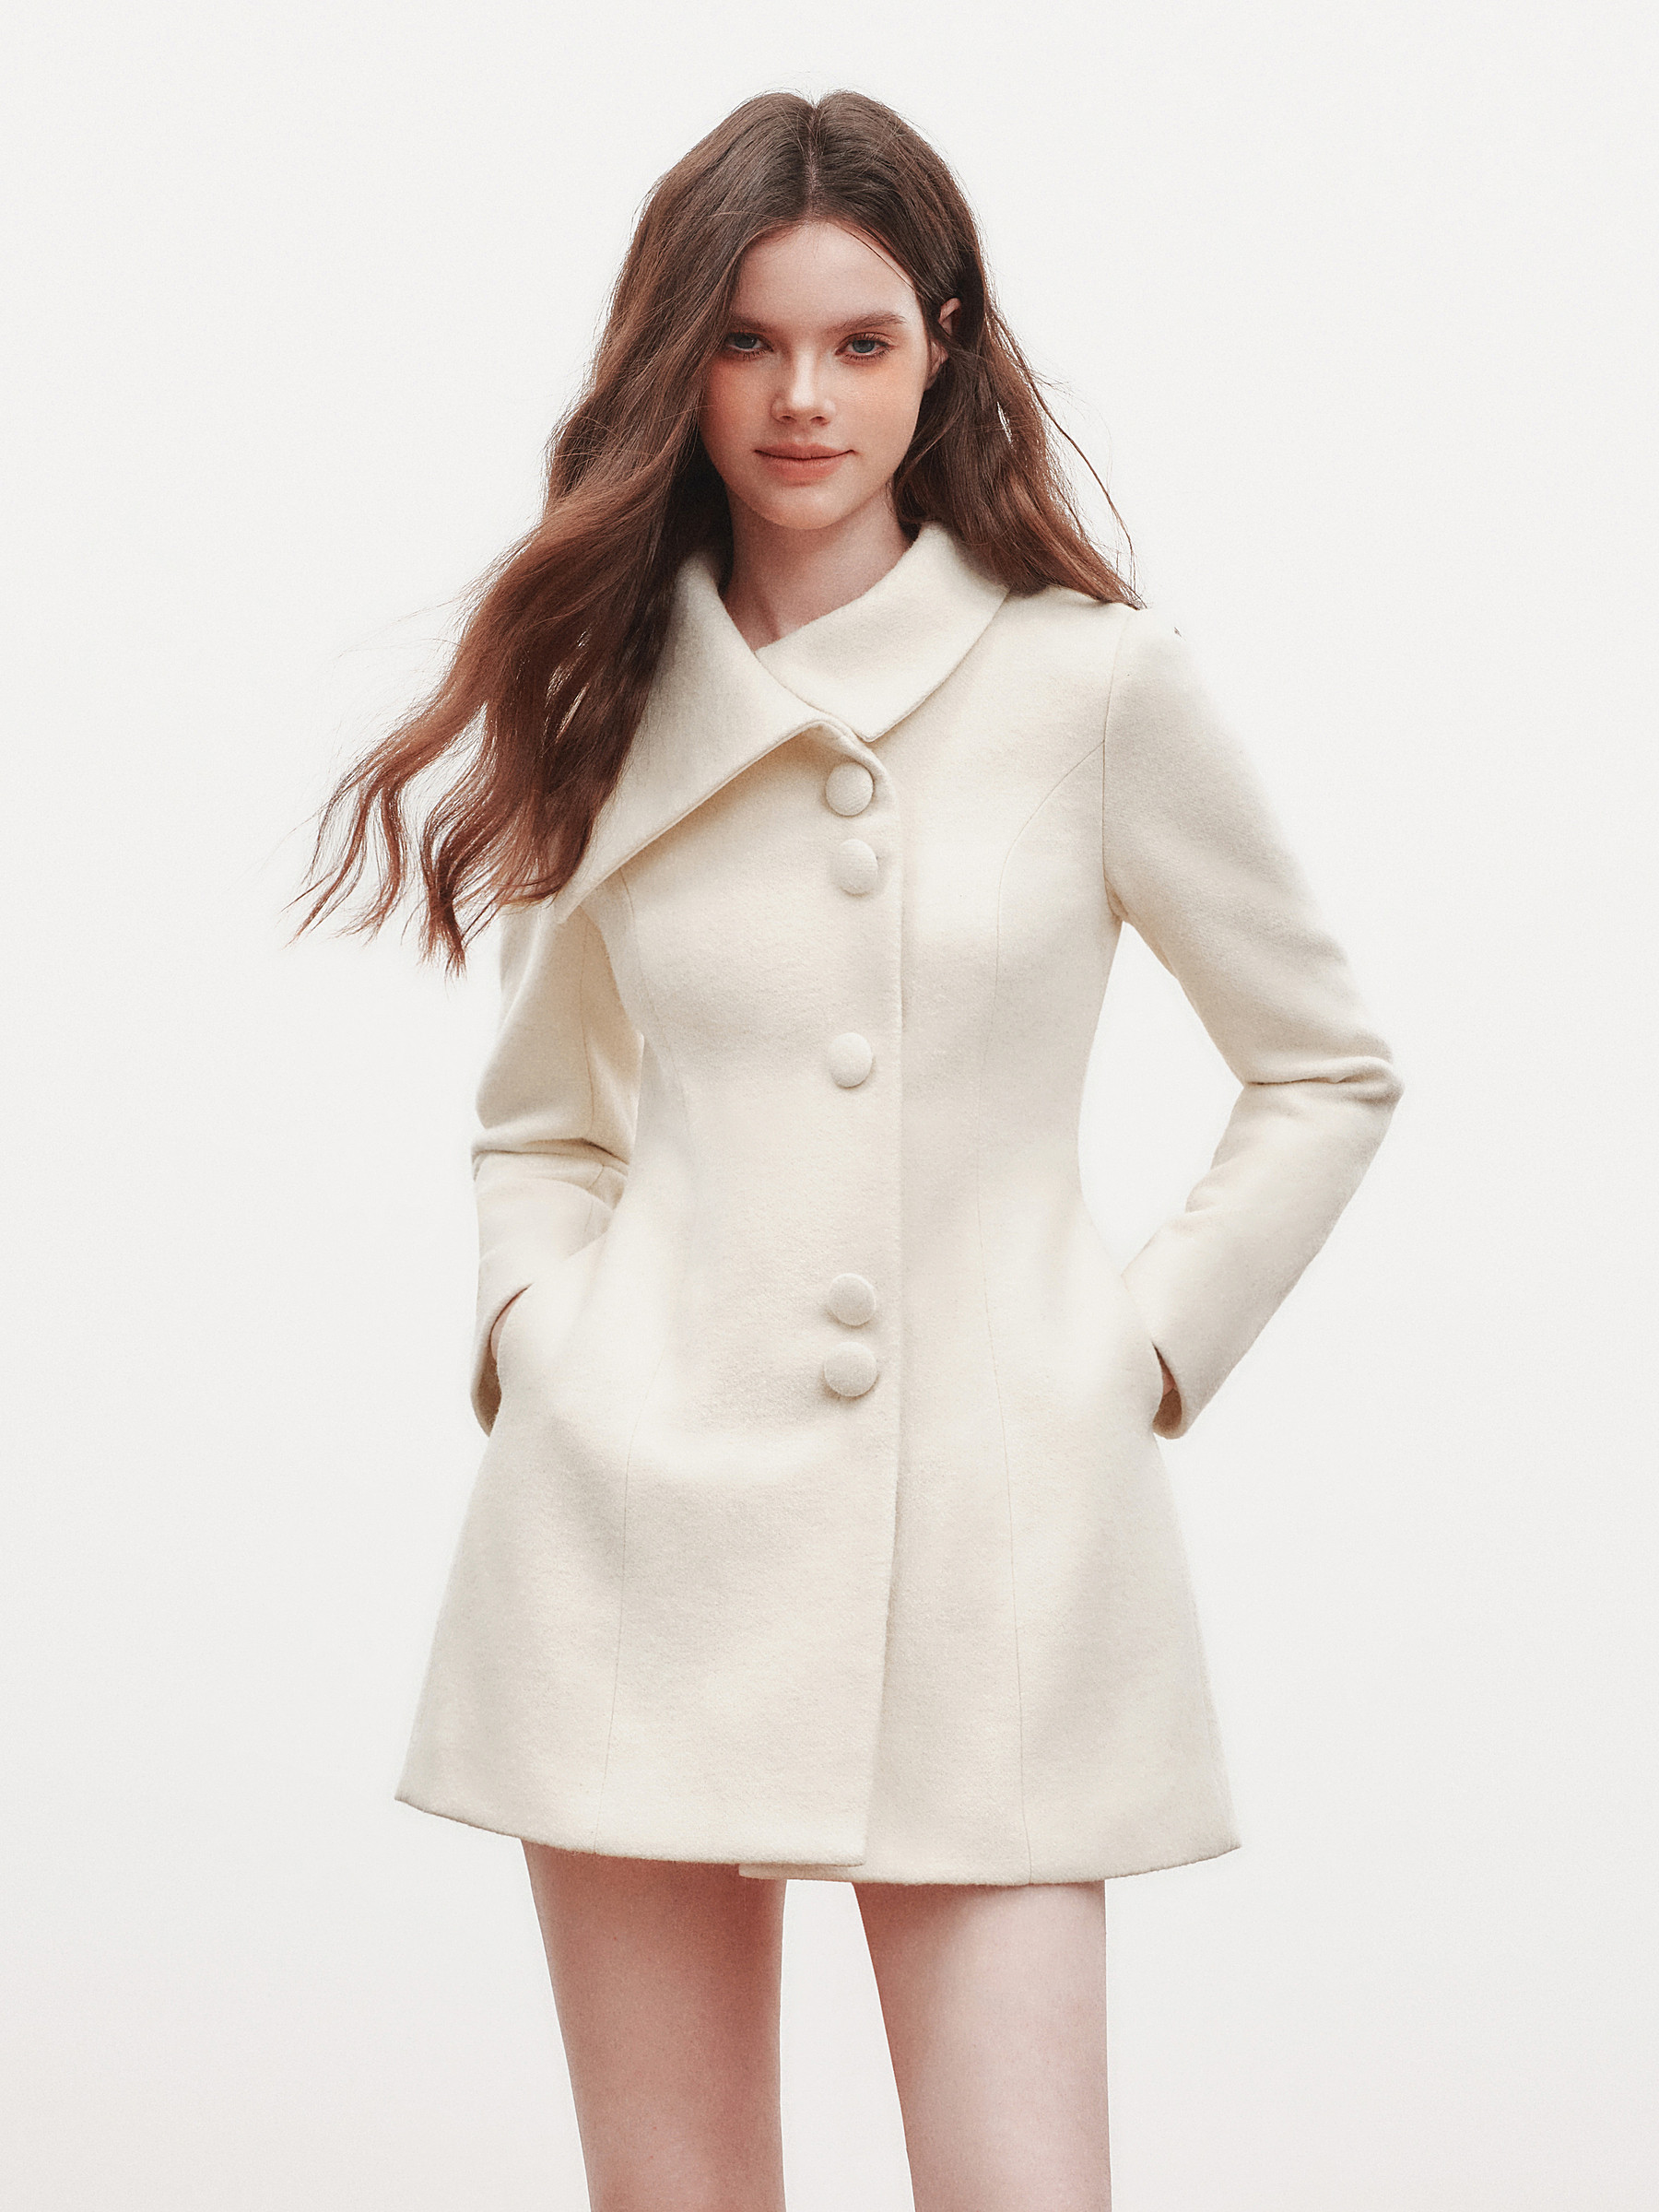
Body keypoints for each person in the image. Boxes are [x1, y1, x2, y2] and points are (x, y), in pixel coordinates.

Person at [299, 87, 1400, 2212]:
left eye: (860, 340)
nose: (802, 398)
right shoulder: (607, 700)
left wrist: (1125, 1358)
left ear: (945, 348)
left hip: (999, 1535)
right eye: (746, 340)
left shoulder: (1095, 689)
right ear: (677, 361)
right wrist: (546, 1345)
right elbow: (543, 1118)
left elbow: (1325, 1068)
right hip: (636, 1532)